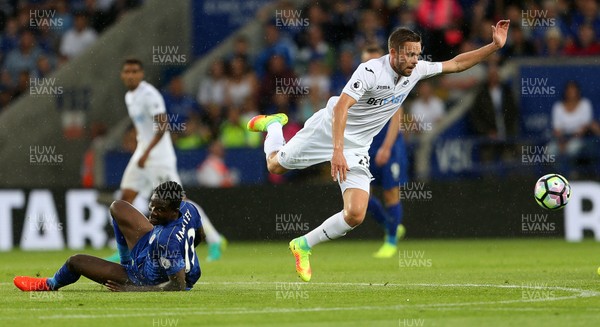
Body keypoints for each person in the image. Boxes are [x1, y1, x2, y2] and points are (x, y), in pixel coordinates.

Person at [247, 21, 510, 282]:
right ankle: (273, 125)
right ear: (393, 53)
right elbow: (342, 108)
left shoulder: (415, 71)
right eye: (410, 54)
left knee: (355, 214)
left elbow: (456, 64)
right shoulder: (371, 71)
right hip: (329, 130)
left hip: (358, 145)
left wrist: (494, 46)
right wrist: (336, 150)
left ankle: (303, 245)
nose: (415, 60)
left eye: (418, 54)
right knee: (275, 166)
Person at [112, 58, 226, 262]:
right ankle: (128, 251)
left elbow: (162, 125)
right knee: (124, 199)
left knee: (180, 202)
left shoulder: (150, 95)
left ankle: (215, 239)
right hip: (142, 153)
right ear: (122, 75)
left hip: (159, 157)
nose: (130, 75)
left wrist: (146, 153)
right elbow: (143, 129)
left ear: (141, 74)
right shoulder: (130, 96)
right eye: (127, 71)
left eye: (135, 71)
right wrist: (140, 149)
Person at [14, 182, 201, 292]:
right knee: (117, 207)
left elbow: (177, 286)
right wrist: (180, 251)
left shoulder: (168, 241)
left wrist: (130, 289)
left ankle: (49, 284)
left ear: (174, 211)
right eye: (152, 205)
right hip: (149, 246)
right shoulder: (189, 209)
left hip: (143, 277)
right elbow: (200, 235)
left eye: (159, 210)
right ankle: (126, 260)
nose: (152, 213)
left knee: (75, 262)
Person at [361, 45, 407, 259]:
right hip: (367, 147)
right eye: (366, 63)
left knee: (390, 193)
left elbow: (396, 118)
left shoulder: (393, 84)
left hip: (389, 147)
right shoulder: (359, 85)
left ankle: (390, 240)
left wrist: (386, 148)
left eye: (375, 62)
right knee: (363, 197)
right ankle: (392, 226)